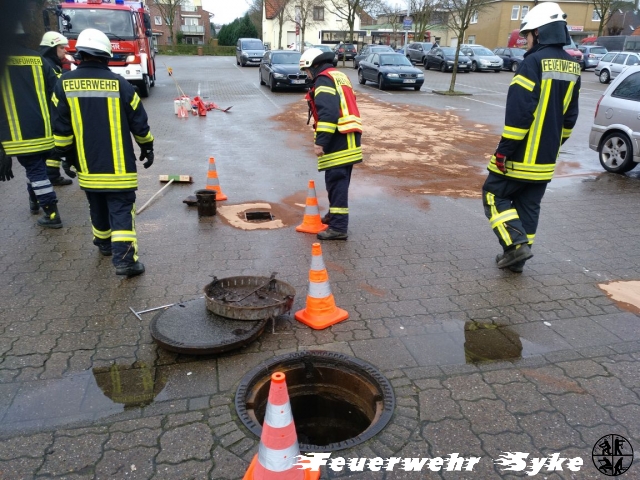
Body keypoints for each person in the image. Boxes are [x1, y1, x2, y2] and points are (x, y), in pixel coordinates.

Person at [481, 2, 580, 273]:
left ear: (539, 32)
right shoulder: (573, 66)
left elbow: (519, 116)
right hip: (546, 160)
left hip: (520, 156)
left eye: (527, 35)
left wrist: (503, 151)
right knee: (529, 206)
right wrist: (553, 145)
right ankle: (517, 262)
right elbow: (570, 119)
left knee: (493, 195)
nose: (525, 40)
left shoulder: (531, 63)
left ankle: (516, 246)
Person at [52, 28, 154, 277]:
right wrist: (147, 146)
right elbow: (139, 122)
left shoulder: (63, 84)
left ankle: (104, 244)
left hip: (87, 165)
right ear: (106, 56)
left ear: (81, 54)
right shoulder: (121, 84)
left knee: (96, 204)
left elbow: (61, 127)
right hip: (119, 168)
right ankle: (125, 261)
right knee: (121, 210)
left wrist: (65, 156)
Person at [0, 23, 63, 229]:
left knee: (35, 170)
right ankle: (34, 201)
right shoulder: (39, 60)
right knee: (36, 168)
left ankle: (51, 213)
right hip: (44, 130)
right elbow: (56, 92)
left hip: (17, 134)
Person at [299, 47, 362, 241]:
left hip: (338, 138)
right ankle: (334, 216)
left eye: (307, 70)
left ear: (313, 66)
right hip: (349, 136)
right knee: (339, 181)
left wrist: (321, 142)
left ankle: (338, 227)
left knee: (336, 182)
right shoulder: (339, 75)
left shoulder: (324, 79)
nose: (307, 75)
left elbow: (328, 113)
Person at [39, 31, 75, 187]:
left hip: (51, 109)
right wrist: (66, 72)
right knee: (56, 144)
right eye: (62, 48)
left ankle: (53, 175)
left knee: (54, 145)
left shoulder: (51, 63)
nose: (65, 51)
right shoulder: (48, 65)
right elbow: (57, 86)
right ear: (52, 48)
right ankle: (52, 175)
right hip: (51, 110)